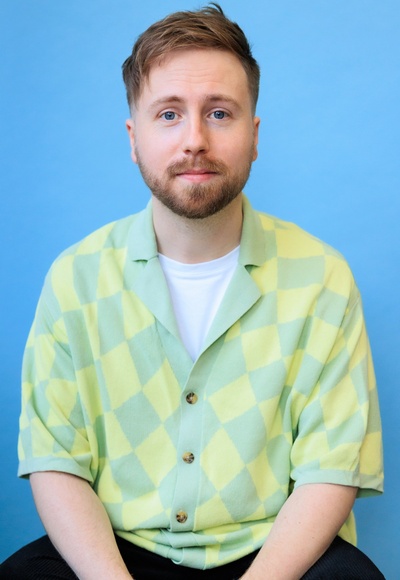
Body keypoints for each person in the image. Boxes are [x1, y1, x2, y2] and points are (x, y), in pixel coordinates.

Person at [0, 4, 384, 579]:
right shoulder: (75, 277)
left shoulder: (322, 277)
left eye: (220, 113)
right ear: (134, 138)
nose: (195, 140)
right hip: (114, 551)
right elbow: (55, 460)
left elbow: (331, 470)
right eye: (169, 114)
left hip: (274, 553)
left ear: (254, 136)